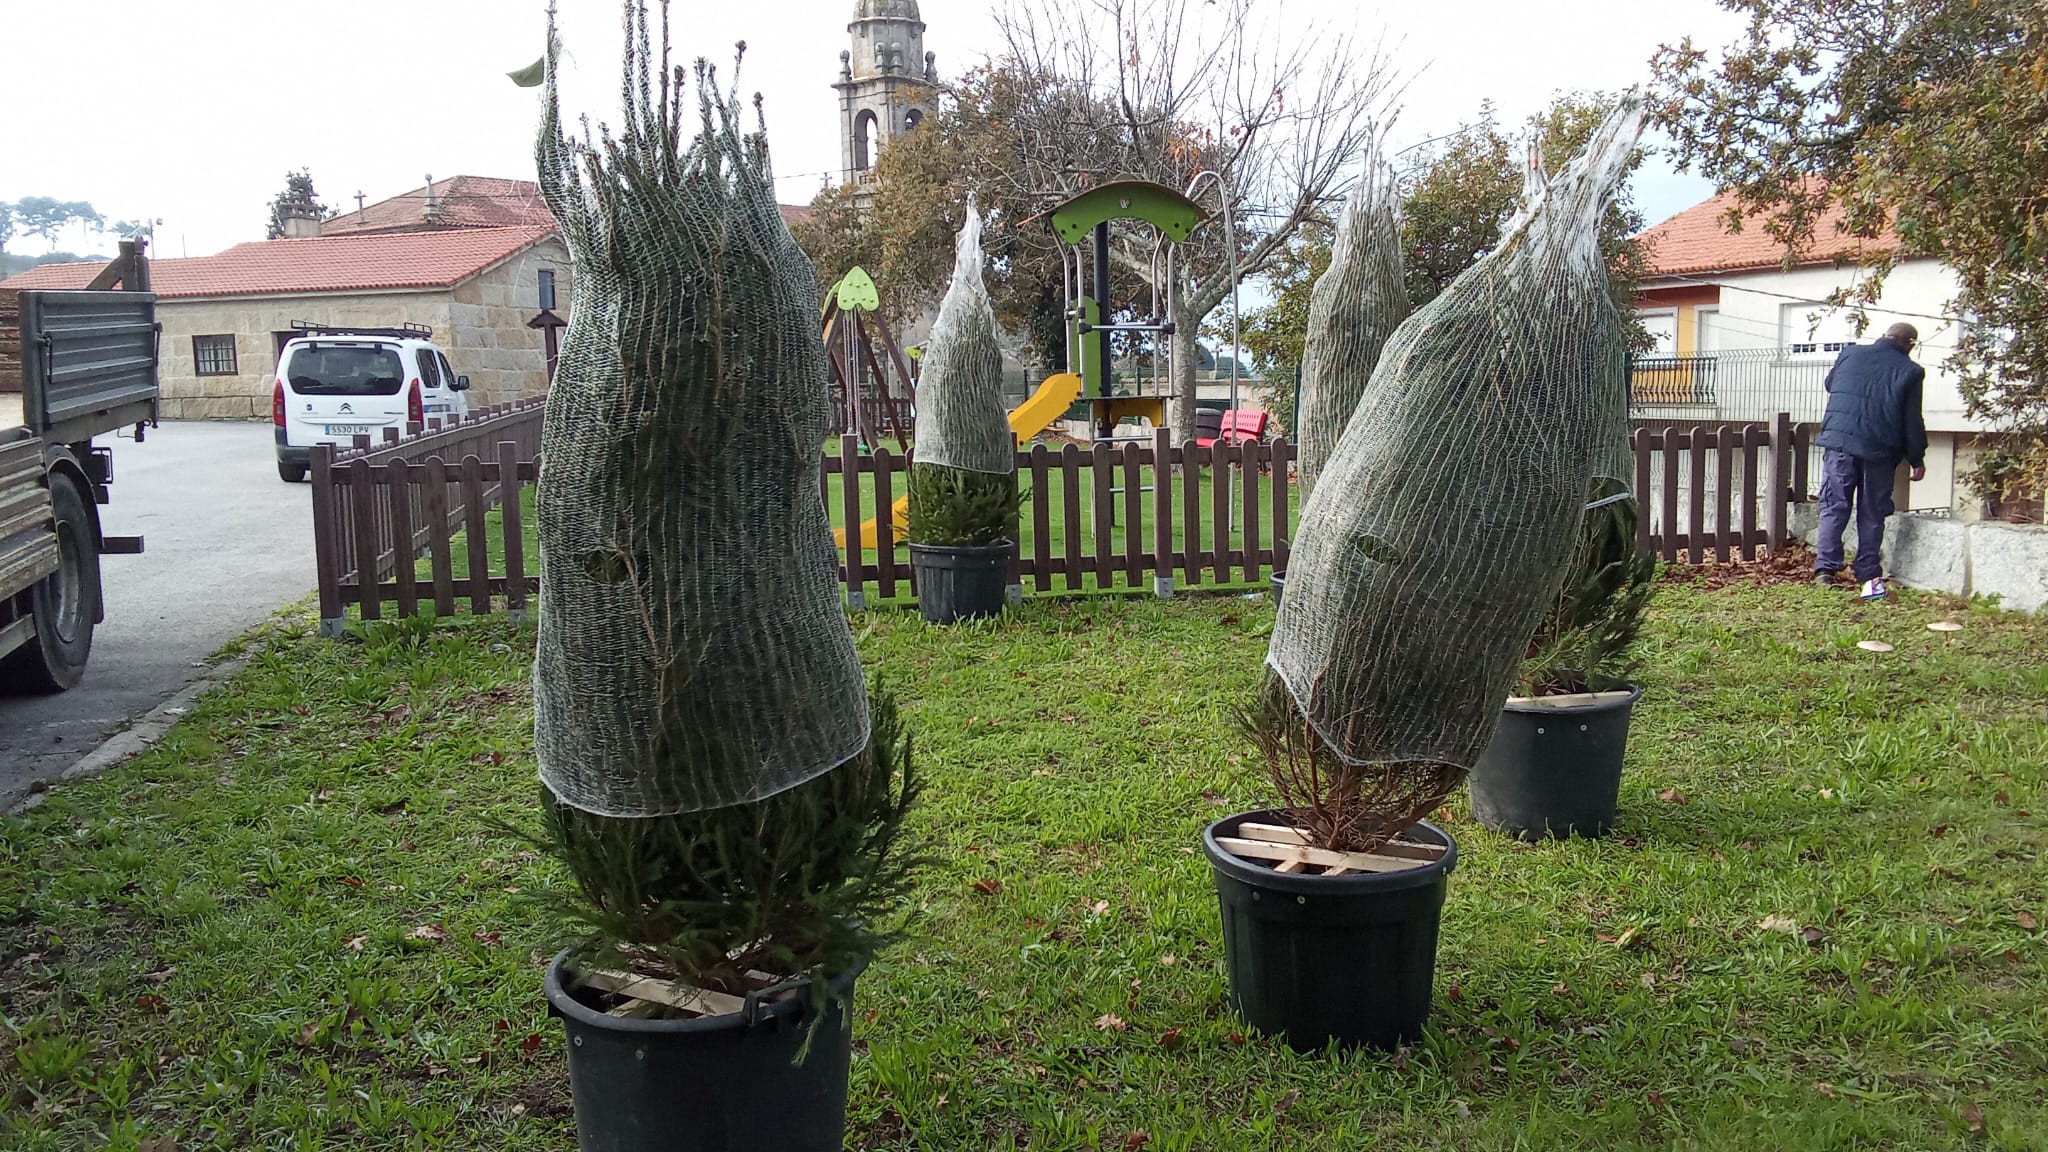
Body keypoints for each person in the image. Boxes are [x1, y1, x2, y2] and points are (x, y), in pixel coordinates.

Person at [1813, 322, 1927, 598]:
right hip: (1880, 449)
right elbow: (1912, 420)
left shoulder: (1850, 353)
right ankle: (1868, 573)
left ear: (1884, 336)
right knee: (1872, 511)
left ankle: (1825, 570)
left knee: (1834, 505)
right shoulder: (1911, 371)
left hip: (1840, 443)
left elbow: (1831, 384)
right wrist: (1916, 458)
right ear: (1909, 344)